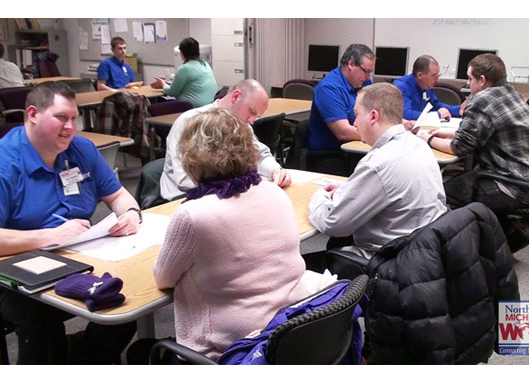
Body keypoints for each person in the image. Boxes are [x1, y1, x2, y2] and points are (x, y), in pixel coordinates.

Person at [150, 109, 336, 362]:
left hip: (235, 346)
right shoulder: (274, 192)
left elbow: (164, 279)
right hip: (291, 328)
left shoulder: (193, 214)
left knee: (146, 351)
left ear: (191, 156)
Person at [0, 82, 140, 364]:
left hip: (78, 256)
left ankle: (75, 357)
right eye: (61, 117)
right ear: (33, 114)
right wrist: (48, 237)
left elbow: (119, 195)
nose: (70, 127)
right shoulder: (6, 162)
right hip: (16, 270)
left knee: (125, 302)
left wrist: (131, 213)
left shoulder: (81, 150)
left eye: (74, 118)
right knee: (39, 320)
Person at [305, 83, 447, 275]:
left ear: (373, 116)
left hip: (384, 262)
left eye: (356, 114)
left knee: (297, 267)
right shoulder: (419, 146)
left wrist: (318, 197)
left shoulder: (378, 163)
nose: (354, 123)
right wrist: (350, 190)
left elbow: (333, 223)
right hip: (420, 254)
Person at [417, 53, 529, 253]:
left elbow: (459, 148)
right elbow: (488, 129)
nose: (467, 83)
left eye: (470, 78)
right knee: (466, 179)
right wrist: (446, 132)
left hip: (515, 186)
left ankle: (461, 252)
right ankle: (510, 235)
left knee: (443, 192)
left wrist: (427, 139)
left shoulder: (482, 99)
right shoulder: (509, 93)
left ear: (482, 81)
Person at [160, 79, 291, 201]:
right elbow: (186, 180)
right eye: (251, 111)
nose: (251, 121)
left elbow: (260, 155)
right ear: (235, 97)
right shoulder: (190, 123)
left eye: (256, 117)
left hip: (225, 195)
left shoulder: (240, 124)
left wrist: (275, 170)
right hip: (185, 198)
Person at [308, 43, 375, 152]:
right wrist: (379, 133)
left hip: (354, 148)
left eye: (370, 72)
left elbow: (377, 111)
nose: (368, 77)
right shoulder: (328, 88)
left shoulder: (364, 82)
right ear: (351, 64)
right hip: (329, 153)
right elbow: (343, 132)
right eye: (366, 71)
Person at [151, 37, 218, 108]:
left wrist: (162, 83)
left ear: (182, 53)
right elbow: (194, 84)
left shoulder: (184, 68)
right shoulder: (205, 64)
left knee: (154, 106)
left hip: (191, 107)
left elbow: (172, 92)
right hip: (208, 105)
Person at [394, 55, 464, 121]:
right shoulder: (401, 87)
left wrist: (459, 109)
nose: (437, 79)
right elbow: (405, 115)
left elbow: (436, 106)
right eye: (434, 76)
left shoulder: (426, 85)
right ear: (420, 75)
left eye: (438, 75)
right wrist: (437, 115)